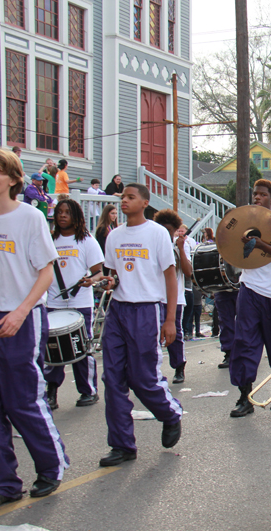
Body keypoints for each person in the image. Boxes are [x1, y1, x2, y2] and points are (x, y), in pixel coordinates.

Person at [0, 148, 68, 512]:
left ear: (12, 179)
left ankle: (51, 466)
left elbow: (46, 272)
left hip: (22, 319)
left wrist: (21, 312)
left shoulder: (29, 218)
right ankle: (2, 483)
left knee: (22, 401)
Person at [90, 183, 182, 466]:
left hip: (147, 310)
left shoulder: (156, 233)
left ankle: (170, 414)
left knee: (143, 377)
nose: (124, 201)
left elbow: (170, 276)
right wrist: (107, 281)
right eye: (123, 197)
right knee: (113, 378)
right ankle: (122, 444)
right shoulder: (114, 236)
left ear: (145, 202)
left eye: (131, 197)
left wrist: (169, 320)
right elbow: (115, 274)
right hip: (119, 310)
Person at [229, 179, 271, 417]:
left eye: (262, 194)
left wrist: (260, 244)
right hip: (249, 288)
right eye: (255, 194)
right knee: (244, 343)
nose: (257, 198)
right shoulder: (245, 221)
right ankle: (244, 395)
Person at [44, 198, 104, 410]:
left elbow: (99, 271)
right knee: (52, 350)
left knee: (81, 347)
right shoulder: (49, 240)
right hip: (53, 302)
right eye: (59, 212)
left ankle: (88, 390)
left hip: (80, 302)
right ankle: (51, 391)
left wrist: (92, 280)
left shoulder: (86, 241)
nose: (62, 216)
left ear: (76, 216)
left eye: (67, 213)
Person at [154, 210, 191, 385]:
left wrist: (181, 249)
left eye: (170, 231)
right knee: (152, 335)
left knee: (175, 334)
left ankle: (178, 367)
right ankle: (153, 370)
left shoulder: (181, 246)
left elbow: (188, 272)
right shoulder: (152, 244)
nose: (166, 234)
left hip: (175, 298)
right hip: (154, 296)